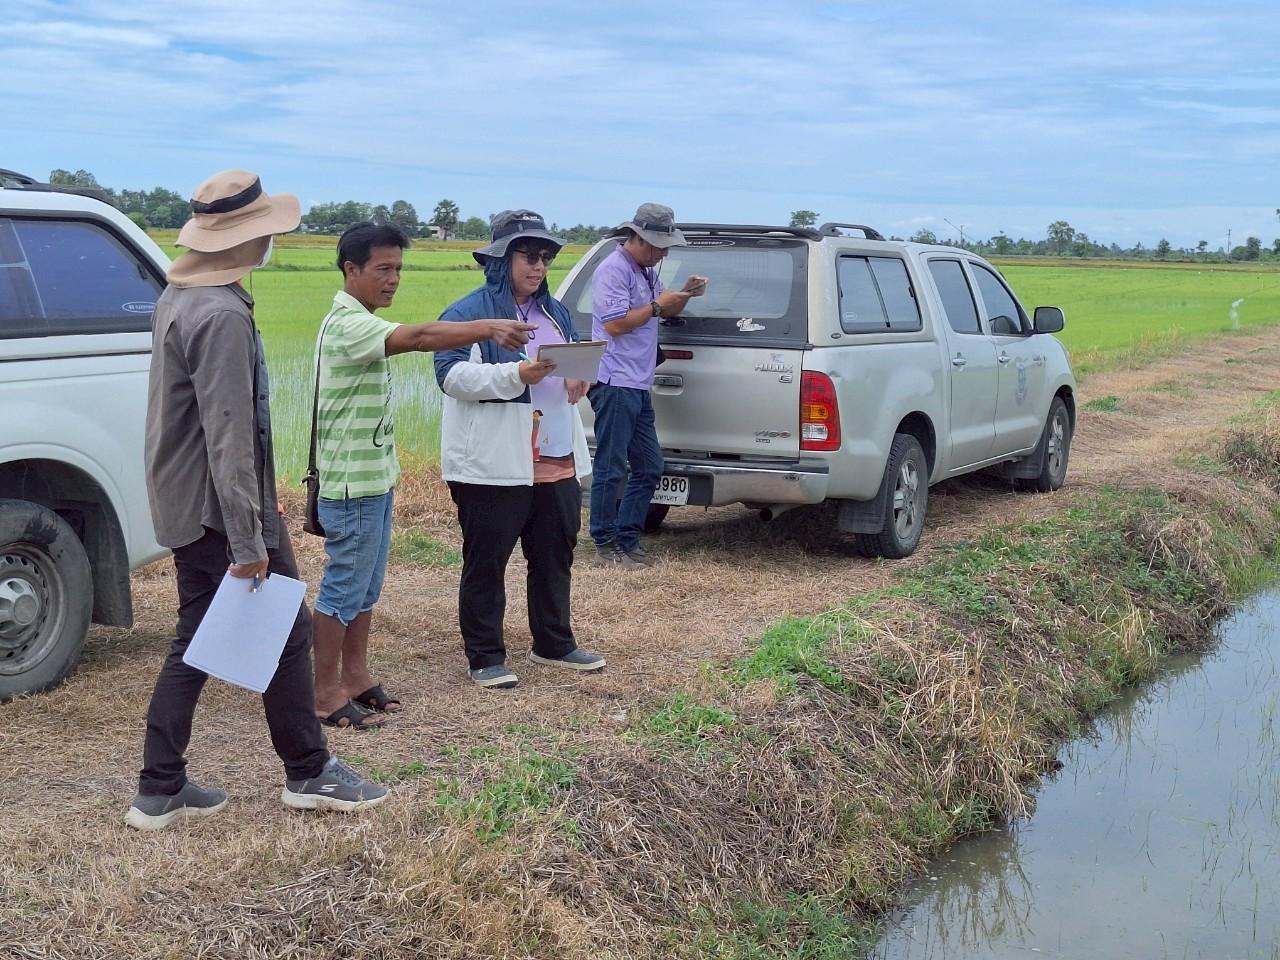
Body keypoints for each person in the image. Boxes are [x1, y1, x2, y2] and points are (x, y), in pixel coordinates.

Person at [128, 170, 387, 830]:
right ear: (250, 237)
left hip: (196, 498)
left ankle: (166, 785)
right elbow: (227, 435)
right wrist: (249, 543)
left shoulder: (183, 296)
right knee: (271, 630)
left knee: (218, 634)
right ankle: (305, 772)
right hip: (219, 507)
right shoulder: (219, 315)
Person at [311, 222, 535, 726]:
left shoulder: (361, 319)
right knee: (343, 587)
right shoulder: (348, 324)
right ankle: (324, 692)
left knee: (365, 588)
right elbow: (420, 336)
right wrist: (488, 327)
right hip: (351, 485)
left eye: (398, 269)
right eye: (383, 269)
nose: (393, 280)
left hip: (373, 480)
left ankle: (356, 677)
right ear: (352, 270)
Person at [434, 210, 605, 689]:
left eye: (545, 258)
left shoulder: (557, 313)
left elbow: (570, 362)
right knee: (487, 557)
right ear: (502, 258)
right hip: (492, 461)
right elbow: (449, 377)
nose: (538, 266)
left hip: (555, 452)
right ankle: (485, 654)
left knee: (555, 550)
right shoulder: (467, 313)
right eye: (528, 256)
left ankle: (554, 642)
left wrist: (580, 377)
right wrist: (515, 376)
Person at [588, 203, 706, 567]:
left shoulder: (645, 270)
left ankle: (628, 537)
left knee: (649, 466)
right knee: (610, 466)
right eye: (659, 245)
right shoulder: (613, 270)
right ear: (638, 239)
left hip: (637, 383)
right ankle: (605, 541)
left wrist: (683, 294)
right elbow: (615, 325)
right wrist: (657, 306)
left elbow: (665, 308)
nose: (665, 252)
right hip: (614, 381)